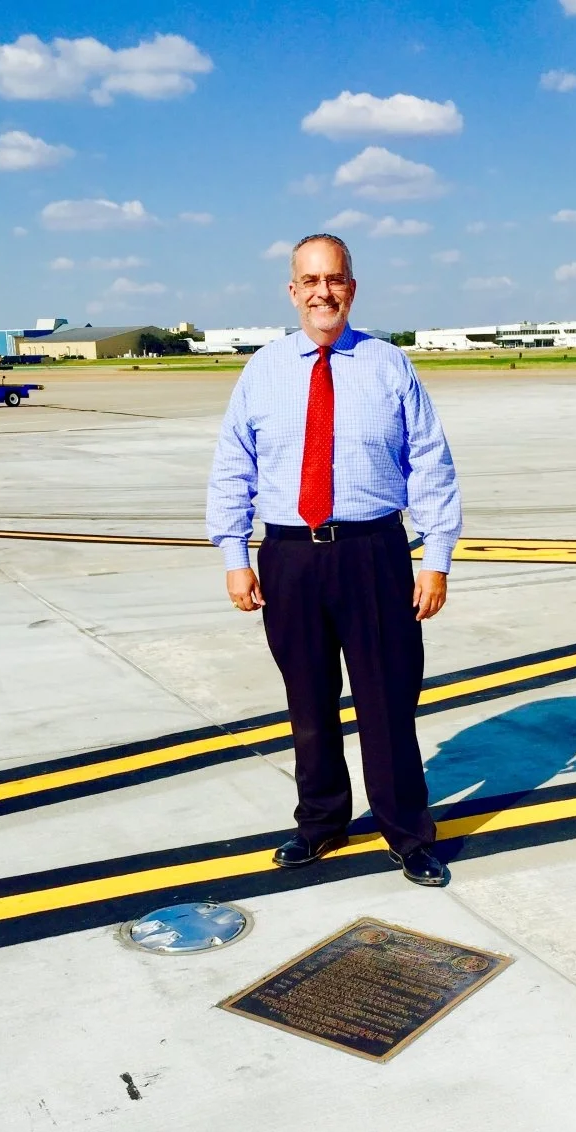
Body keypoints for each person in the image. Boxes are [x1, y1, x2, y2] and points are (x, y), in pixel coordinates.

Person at [206, 234, 461, 886]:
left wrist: (434, 559)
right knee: (308, 705)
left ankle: (407, 833)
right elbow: (233, 465)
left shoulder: (387, 365)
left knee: (387, 704)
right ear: (292, 291)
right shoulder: (262, 369)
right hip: (289, 557)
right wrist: (235, 555)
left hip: (373, 553)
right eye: (310, 280)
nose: (324, 291)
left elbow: (430, 464)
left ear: (352, 286)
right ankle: (319, 824)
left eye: (335, 279)